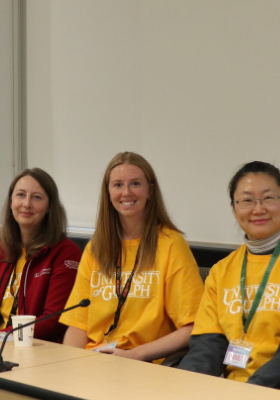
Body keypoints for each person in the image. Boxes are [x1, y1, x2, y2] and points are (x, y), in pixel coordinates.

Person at [177, 161, 280, 392]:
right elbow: (207, 347)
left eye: (268, 198)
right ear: (234, 208)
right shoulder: (222, 271)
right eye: (247, 200)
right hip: (233, 393)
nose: (258, 209)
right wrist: (181, 387)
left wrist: (251, 391)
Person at [60, 152, 204, 362]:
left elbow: (193, 327)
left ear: (150, 191)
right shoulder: (95, 248)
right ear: (108, 192)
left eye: (135, 184)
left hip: (144, 364)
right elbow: (78, 326)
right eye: (118, 185)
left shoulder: (171, 244)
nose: (126, 192)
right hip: (93, 363)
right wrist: (68, 363)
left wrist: (135, 354)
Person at [0, 168, 81, 342]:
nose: (26, 204)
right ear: (10, 202)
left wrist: (3, 336)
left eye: (36, 197)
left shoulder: (66, 253)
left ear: (49, 207)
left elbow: (54, 319)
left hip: (37, 348)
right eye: (21, 195)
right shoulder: (1, 250)